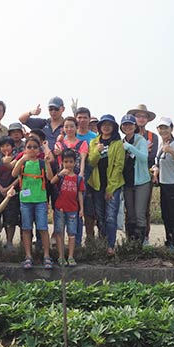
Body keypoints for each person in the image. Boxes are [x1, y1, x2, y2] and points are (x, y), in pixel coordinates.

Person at [12, 136, 54, 269]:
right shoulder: (23, 162)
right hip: (25, 201)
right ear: (25, 149)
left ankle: (47, 256)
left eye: (35, 147)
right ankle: (28, 256)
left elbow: (50, 178)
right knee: (26, 228)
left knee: (43, 228)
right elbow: (14, 174)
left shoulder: (42, 163)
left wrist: (47, 163)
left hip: (40, 200)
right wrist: (21, 160)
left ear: (39, 149)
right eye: (29, 147)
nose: (31, 149)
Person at [87, 114, 125, 256]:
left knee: (110, 216)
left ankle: (110, 246)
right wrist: (97, 151)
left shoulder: (117, 144)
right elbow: (91, 162)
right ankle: (102, 244)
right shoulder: (94, 142)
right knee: (100, 216)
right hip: (97, 185)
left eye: (109, 124)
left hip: (112, 186)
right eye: (103, 124)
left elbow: (118, 166)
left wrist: (110, 188)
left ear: (114, 127)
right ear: (99, 127)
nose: (106, 127)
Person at [127, 104, 158, 245]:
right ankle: (130, 240)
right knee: (130, 211)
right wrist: (141, 149)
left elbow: (150, 156)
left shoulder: (153, 136)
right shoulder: (127, 135)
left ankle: (144, 238)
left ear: (147, 119)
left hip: (145, 176)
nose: (140, 118)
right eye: (138, 116)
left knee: (144, 210)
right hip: (128, 177)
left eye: (143, 116)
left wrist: (135, 151)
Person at [152, 117, 174, 248]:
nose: (163, 130)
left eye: (166, 127)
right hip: (164, 184)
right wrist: (155, 169)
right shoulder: (161, 144)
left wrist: (171, 151)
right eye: (160, 128)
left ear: (171, 129)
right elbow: (157, 162)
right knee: (166, 214)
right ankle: (169, 240)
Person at [49, 149, 85, 266]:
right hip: (60, 208)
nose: (68, 164)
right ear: (62, 163)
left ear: (75, 163)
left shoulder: (78, 178)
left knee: (72, 233)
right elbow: (52, 182)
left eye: (70, 162)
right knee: (59, 232)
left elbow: (80, 194)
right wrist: (60, 174)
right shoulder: (61, 176)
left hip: (73, 209)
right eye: (66, 162)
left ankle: (70, 256)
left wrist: (81, 209)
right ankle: (61, 256)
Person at [120, 114, 150, 244]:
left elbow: (144, 157)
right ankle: (130, 243)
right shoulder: (120, 142)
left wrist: (130, 147)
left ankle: (140, 245)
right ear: (121, 127)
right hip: (127, 183)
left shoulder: (140, 140)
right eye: (125, 125)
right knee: (130, 214)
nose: (128, 127)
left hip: (141, 182)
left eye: (130, 124)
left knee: (139, 214)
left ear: (135, 126)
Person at [0, 136, 21, 249]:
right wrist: (1, 189)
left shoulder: (18, 159)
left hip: (13, 192)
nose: (5, 148)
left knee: (11, 218)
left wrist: (9, 188)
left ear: (13, 147)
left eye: (8, 145)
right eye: (2, 146)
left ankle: (9, 242)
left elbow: (19, 177)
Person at [75, 107, 98, 244]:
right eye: (79, 117)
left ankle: (90, 240)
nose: (82, 120)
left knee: (89, 211)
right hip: (73, 180)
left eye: (85, 117)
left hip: (91, 178)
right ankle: (75, 241)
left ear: (89, 119)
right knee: (75, 210)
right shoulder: (70, 135)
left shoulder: (95, 138)